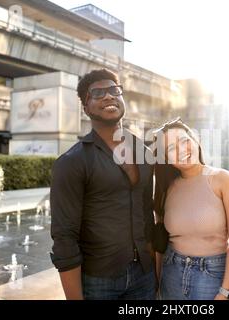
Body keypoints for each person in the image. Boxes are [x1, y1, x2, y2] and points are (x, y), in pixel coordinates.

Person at [50, 69, 156, 300]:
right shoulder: (72, 162)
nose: (108, 96)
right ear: (85, 108)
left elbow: (148, 214)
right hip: (99, 279)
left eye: (114, 91)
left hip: (145, 275)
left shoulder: (144, 152)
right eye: (97, 93)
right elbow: (64, 236)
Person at [152, 118, 229, 300]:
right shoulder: (167, 189)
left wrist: (226, 291)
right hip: (171, 273)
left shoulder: (222, 180)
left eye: (184, 141)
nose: (181, 150)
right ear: (166, 160)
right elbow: (160, 242)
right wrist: (157, 282)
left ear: (195, 140)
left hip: (211, 276)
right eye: (171, 149)